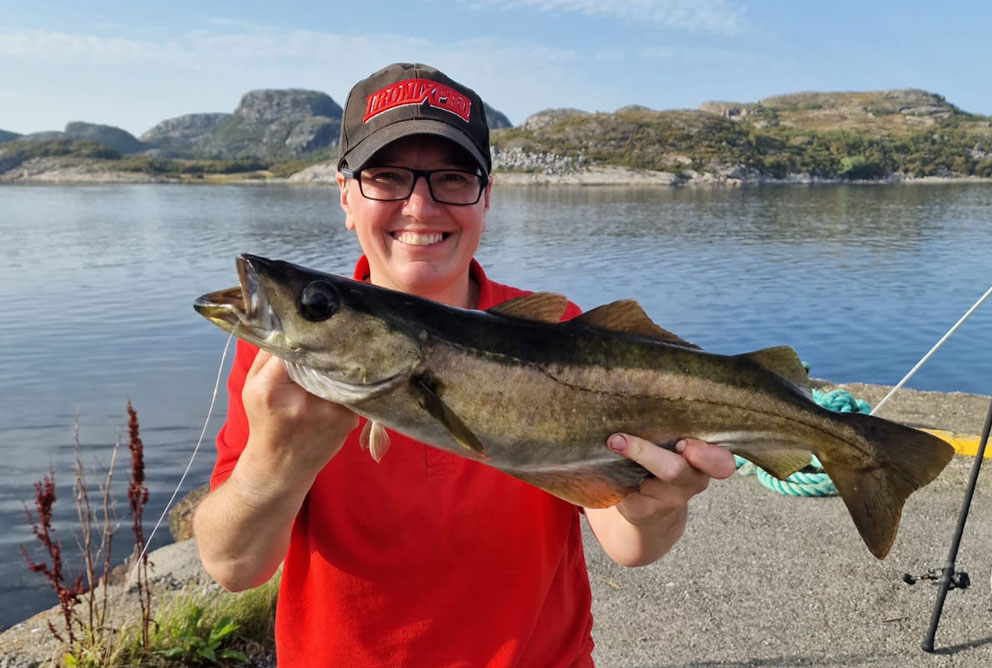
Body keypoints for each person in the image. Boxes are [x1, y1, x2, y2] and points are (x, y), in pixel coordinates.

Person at [193, 63, 736, 667]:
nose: (420, 206)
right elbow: (233, 566)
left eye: (452, 178)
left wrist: (657, 504)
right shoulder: (279, 366)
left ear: (485, 197)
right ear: (346, 195)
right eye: (388, 178)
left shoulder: (559, 335)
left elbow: (629, 544)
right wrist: (276, 462)